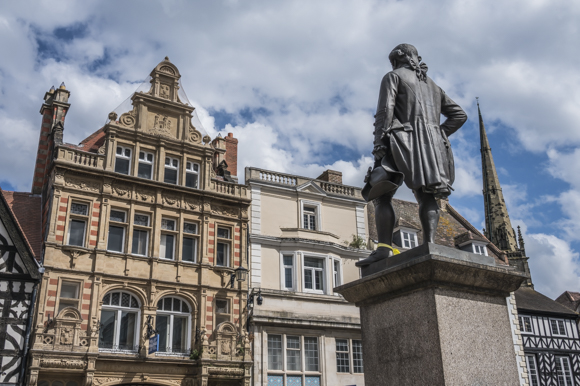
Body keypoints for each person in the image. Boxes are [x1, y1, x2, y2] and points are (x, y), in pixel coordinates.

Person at [357, 44, 467, 267]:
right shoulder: (433, 86)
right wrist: (438, 134)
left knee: (382, 193)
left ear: (399, 59)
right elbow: (459, 115)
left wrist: (379, 143)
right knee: (426, 195)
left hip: (401, 140)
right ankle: (430, 243)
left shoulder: (393, 77)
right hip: (433, 146)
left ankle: (384, 248)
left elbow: (385, 111)